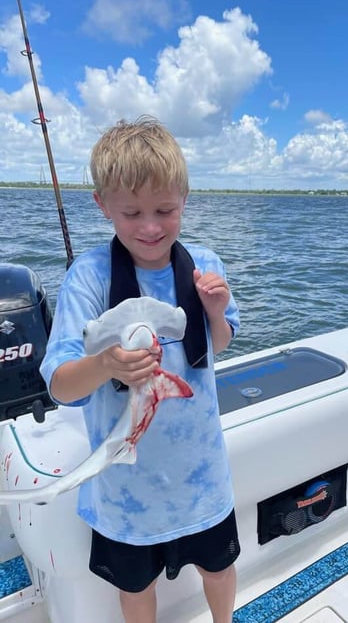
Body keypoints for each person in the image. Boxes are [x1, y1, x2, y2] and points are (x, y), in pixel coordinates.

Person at [40, 116, 240, 623]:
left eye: (165, 210)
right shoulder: (88, 278)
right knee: (135, 586)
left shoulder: (203, 262)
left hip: (203, 475)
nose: (150, 227)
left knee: (219, 568)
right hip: (125, 488)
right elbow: (61, 385)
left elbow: (217, 344)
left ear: (185, 201)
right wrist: (106, 363)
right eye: (131, 212)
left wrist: (216, 312)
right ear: (102, 205)